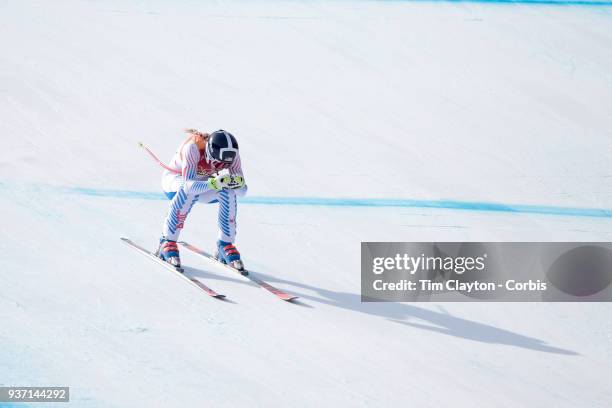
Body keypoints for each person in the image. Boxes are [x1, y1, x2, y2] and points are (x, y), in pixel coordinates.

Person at [156, 129, 247, 271]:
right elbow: (188, 186)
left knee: (228, 191)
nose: (221, 166)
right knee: (188, 193)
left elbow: (242, 192)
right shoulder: (193, 148)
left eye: (225, 164)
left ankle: (225, 244)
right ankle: (167, 241)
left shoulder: (232, 156)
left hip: (201, 185)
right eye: (219, 162)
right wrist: (214, 183)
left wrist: (238, 183)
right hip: (175, 181)